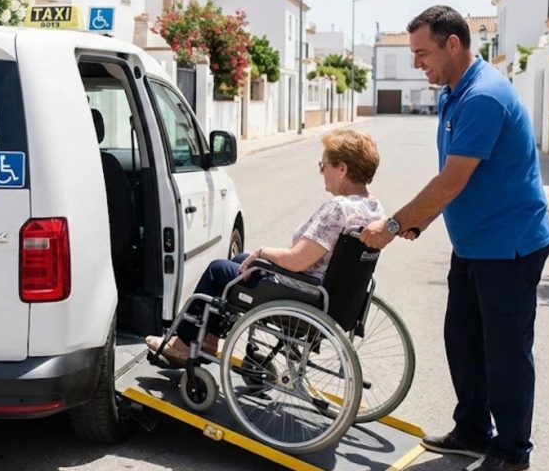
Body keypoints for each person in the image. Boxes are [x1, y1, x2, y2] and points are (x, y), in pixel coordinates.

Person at [360, 5, 549, 471]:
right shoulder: (453, 92)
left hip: (508, 246)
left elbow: (451, 180)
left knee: (504, 350)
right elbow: (454, 182)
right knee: (462, 339)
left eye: (423, 53)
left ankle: (512, 451)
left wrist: (392, 226)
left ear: (453, 44)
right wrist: (420, 223)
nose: (416, 63)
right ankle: (472, 429)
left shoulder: (483, 97)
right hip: (473, 243)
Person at [146, 129, 385, 364]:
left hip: (302, 292)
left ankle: (181, 344)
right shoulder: (374, 209)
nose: (321, 172)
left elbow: (297, 260)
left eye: (324, 165)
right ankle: (209, 339)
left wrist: (263, 252)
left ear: (342, 169)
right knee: (240, 260)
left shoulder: (339, 208)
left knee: (217, 270)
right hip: (332, 295)